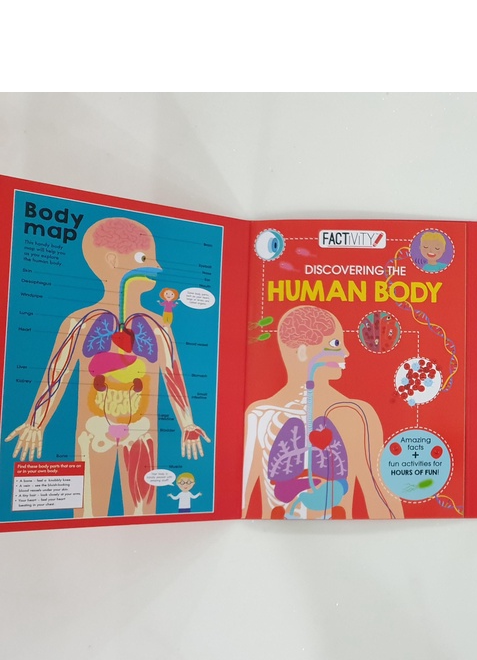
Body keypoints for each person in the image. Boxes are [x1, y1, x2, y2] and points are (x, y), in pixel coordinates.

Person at [5, 217, 210, 518]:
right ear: (113, 261)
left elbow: (173, 376)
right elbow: (57, 374)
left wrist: (188, 424)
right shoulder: (80, 322)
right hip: (93, 430)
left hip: (141, 432)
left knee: (143, 517)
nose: (157, 267)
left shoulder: (159, 327)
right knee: (88, 514)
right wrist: (36, 423)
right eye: (144, 259)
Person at [242, 304, 403, 520]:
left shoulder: (357, 414)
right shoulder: (259, 415)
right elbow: (240, 501)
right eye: (335, 344)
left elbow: (382, 497)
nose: (346, 352)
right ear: (302, 351)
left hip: (340, 534)